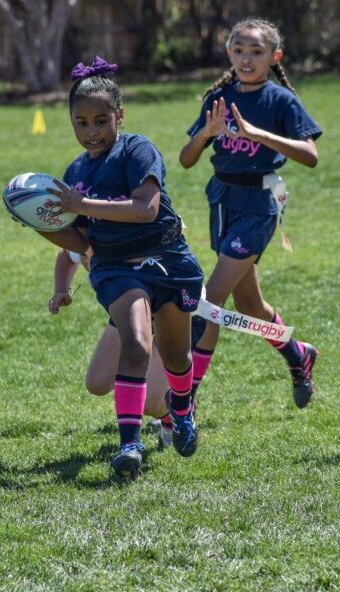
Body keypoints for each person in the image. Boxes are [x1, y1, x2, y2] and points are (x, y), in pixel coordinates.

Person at [43, 56, 204, 480]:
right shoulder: (76, 172)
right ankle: (130, 443)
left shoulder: (137, 149)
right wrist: (41, 225)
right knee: (134, 342)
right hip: (116, 269)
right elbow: (79, 242)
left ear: (120, 115)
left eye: (100, 120)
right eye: (80, 123)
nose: (91, 132)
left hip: (169, 260)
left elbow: (146, 209)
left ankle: (182, 408)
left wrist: (81, 205)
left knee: (176, 356)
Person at [179, 17, 321, 410]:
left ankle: (185, 397)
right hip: (222, 200)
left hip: (259, 204)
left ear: (274, 57)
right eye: (239, 50)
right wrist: (205, 135)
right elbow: (186, 159)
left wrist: (260, 135)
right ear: (229, 53)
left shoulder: (281, 101)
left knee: (208, 302)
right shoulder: (219, 97)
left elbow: (310, 155)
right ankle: (298, 355)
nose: (247, 58)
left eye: (257, 52)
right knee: (249, 307)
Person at [49, 247, 174, 450]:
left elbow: (177, 239)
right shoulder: (88, 233)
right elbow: (66, 254)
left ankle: (176, 415)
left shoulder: (129, 227)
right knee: (97, 384)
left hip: (170, 310)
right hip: (131, 311)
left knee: (151, 402)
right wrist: (61, 289)